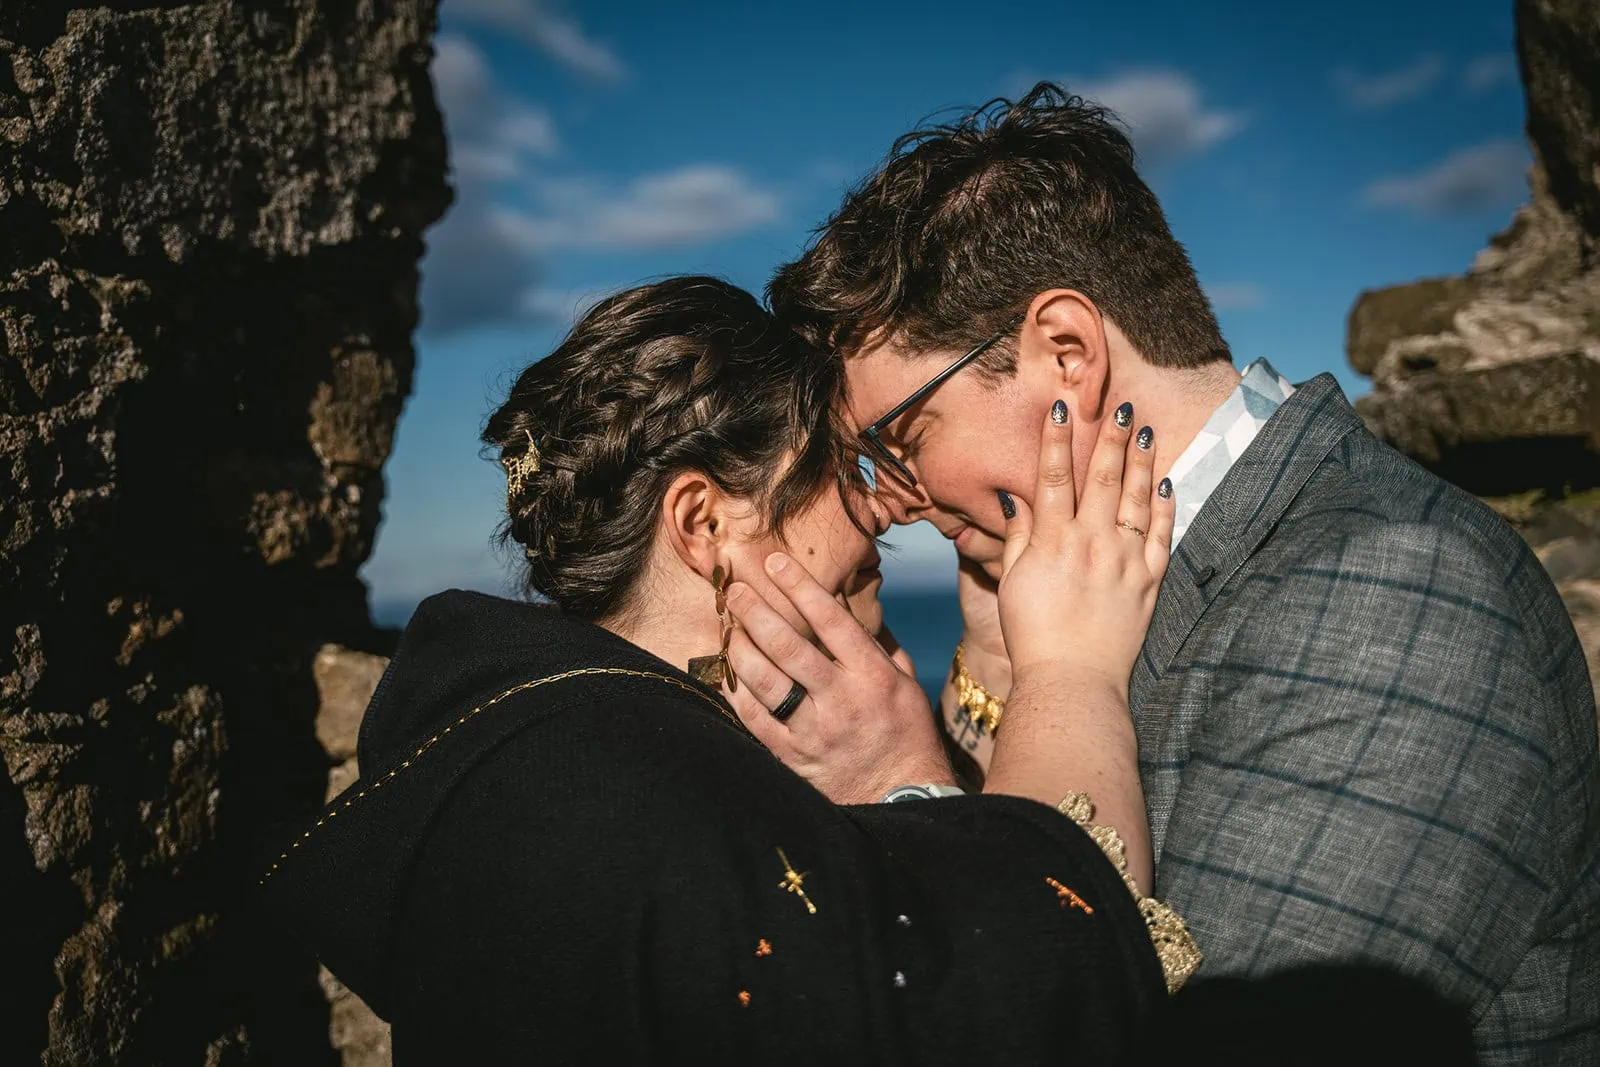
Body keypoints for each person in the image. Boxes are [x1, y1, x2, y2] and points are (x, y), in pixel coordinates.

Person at [764, 83, 1600, 1065]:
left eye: (901, 440)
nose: (893, 502)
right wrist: (1000, 678)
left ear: (1065, 351)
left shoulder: (1387, 584)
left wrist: (899, 781)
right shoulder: (1068, 589)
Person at [260, 276, 1198, 1064]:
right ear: (705, 524)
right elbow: (1027, 991)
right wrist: (1068, 672)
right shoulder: (644, 802)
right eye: (845, 466)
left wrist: (986, 670)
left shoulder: (537, 740)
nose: (888, 512)